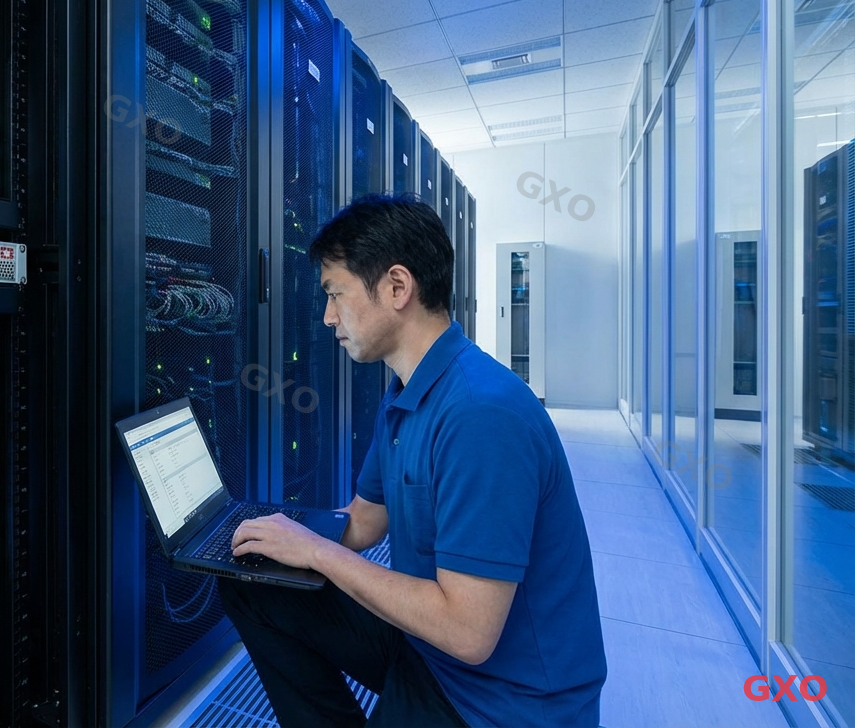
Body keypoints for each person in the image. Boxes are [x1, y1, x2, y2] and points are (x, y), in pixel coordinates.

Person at [221, 192, 606, 727]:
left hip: (501, 700)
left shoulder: (481, 415)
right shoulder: (407, 394)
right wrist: (275, 532)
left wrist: (316, 552)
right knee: (250, 580)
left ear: (397, 287)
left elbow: (469, 635)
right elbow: (362, 524)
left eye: (336, 294)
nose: (328, 316)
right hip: (431, 649)